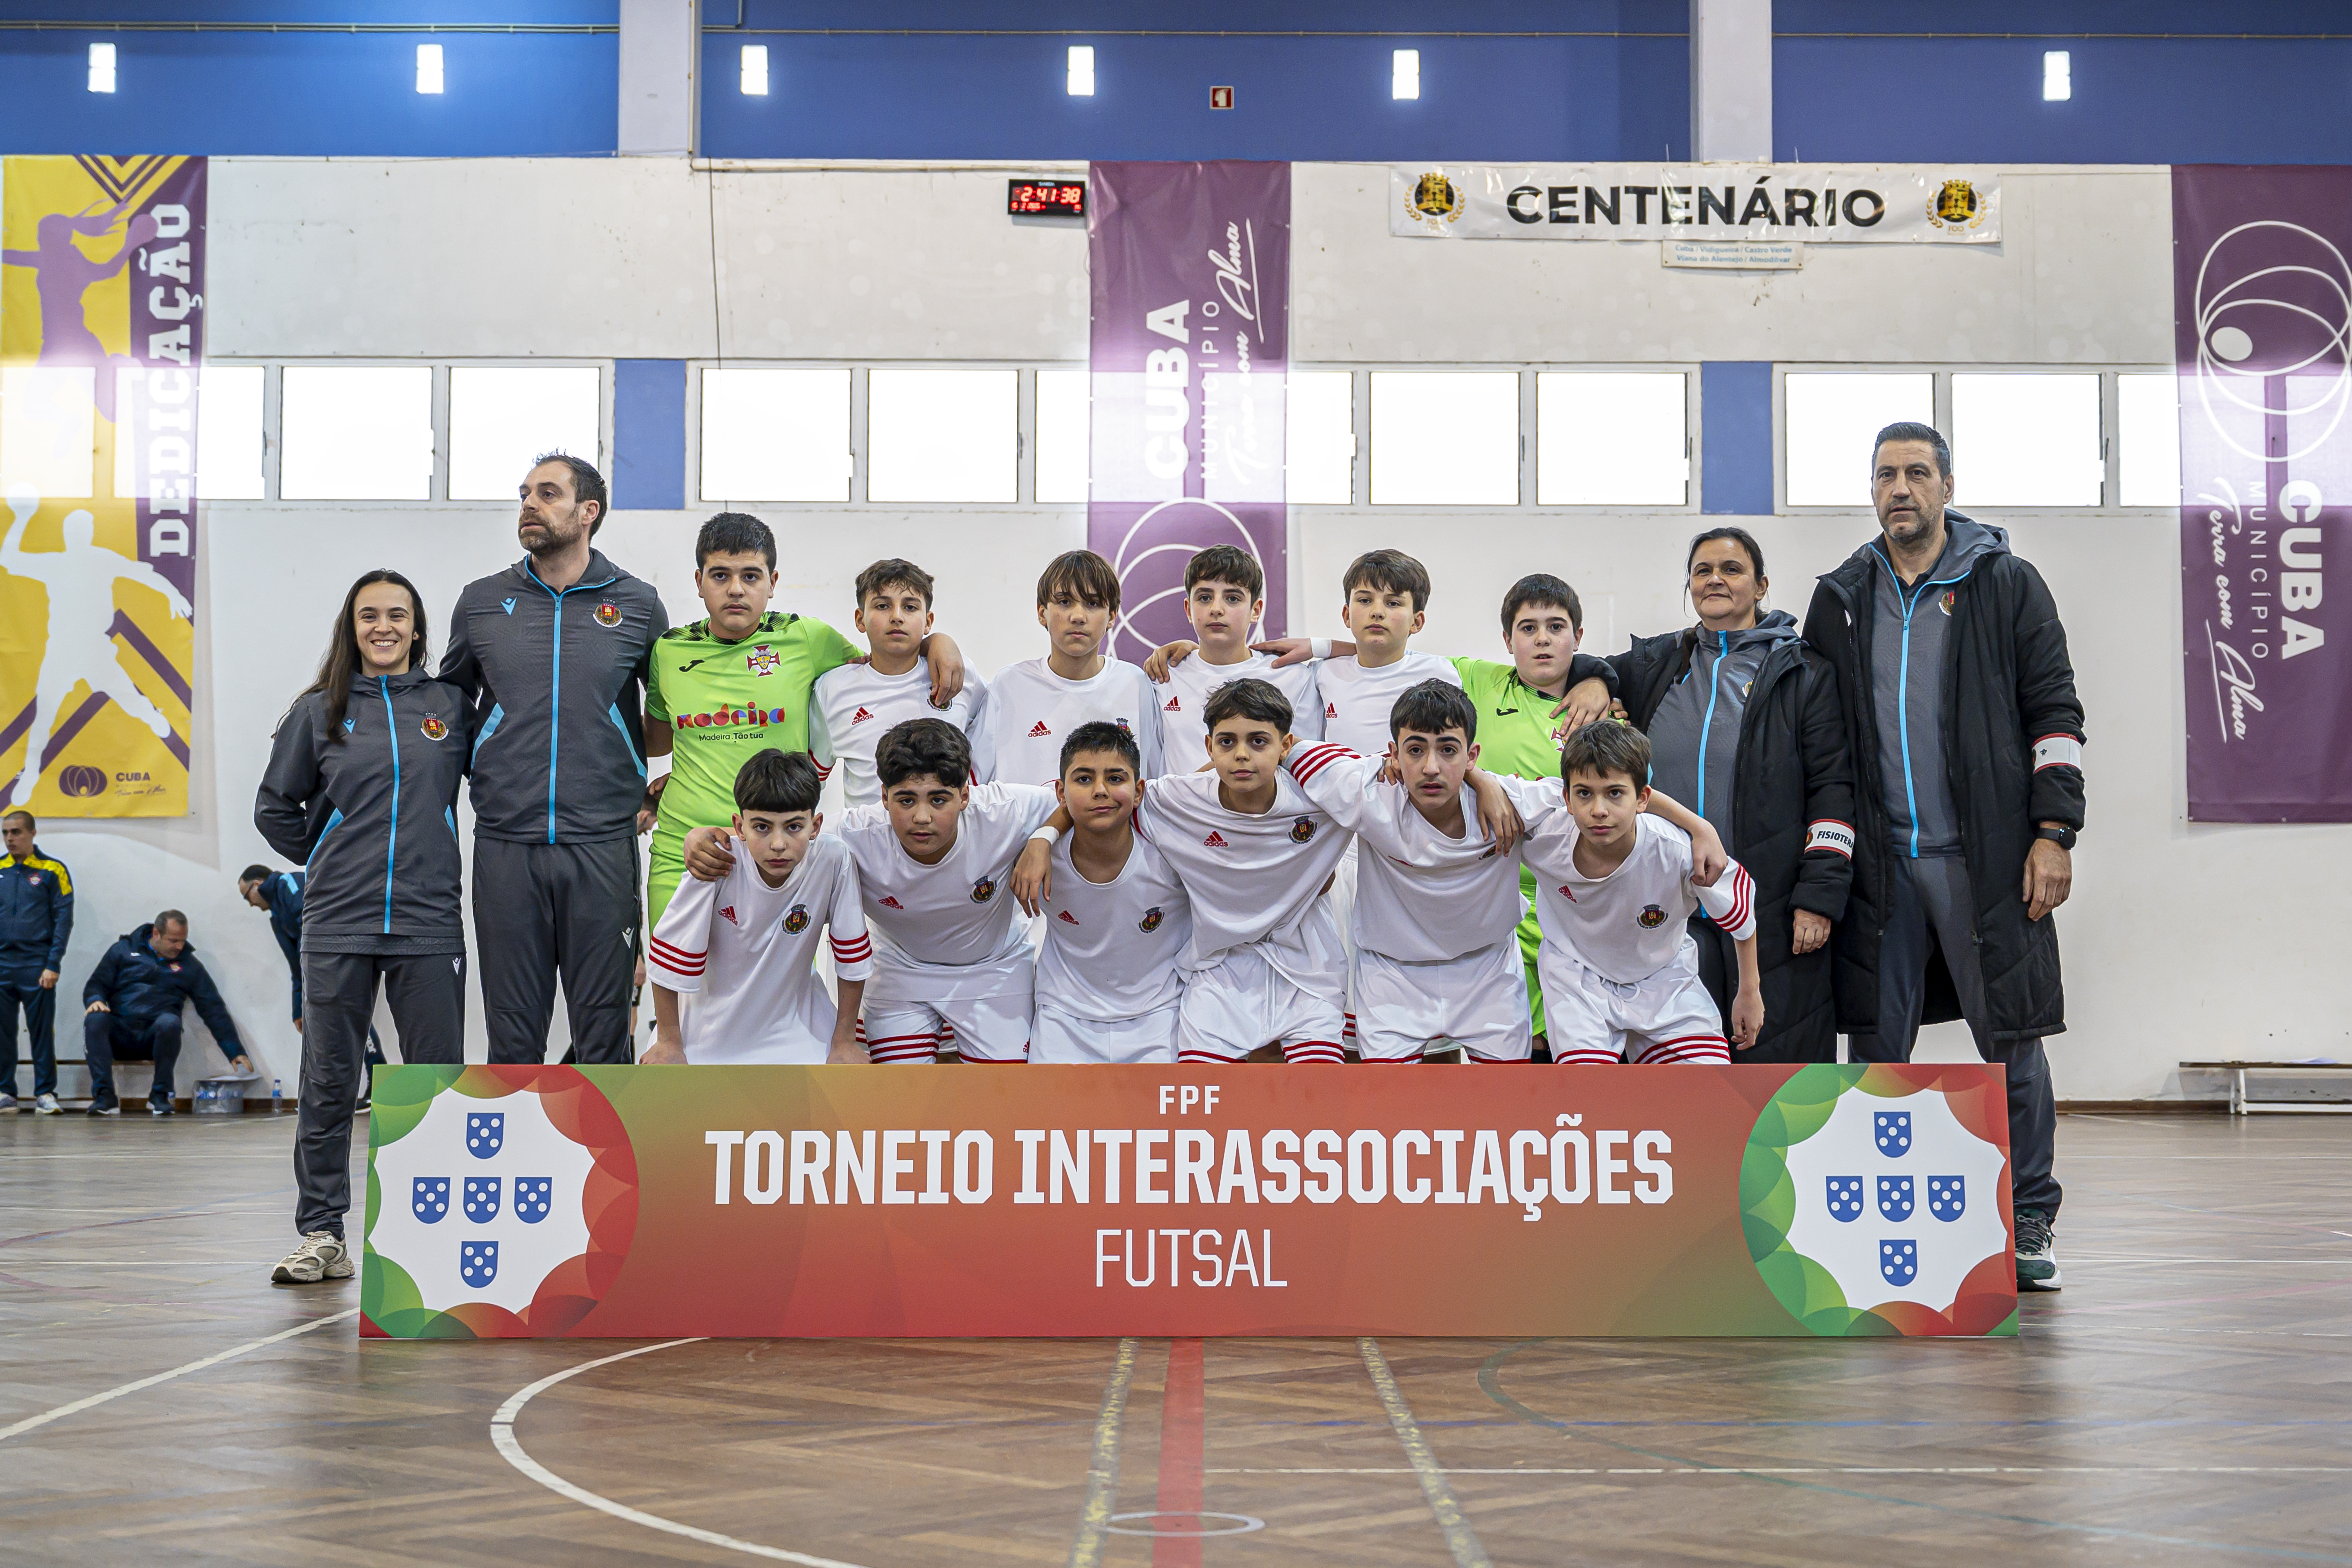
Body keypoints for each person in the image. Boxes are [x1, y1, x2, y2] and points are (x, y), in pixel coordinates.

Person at [1802, 420, 2084, 1292]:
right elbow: (1808, 715)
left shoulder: (2004, 584)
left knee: (2011, 1040)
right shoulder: (1840, 595)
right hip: (1880, 867)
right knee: (1874, 1044)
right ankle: (1878, 1213)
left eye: (1914, 472)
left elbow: (2055, 714)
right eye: (1884, 474)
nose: (1898, 488)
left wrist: (2052, 832)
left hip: (1986, 860)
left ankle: (2028, 1214)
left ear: (1945, 484)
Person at [1281, 681, 1724, 1065]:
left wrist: (1698, 826)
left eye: (1448, 750)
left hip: (1487, 972)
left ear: (1471, 754)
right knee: (1393, 1109)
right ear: (1392, 754)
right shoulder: (1364, 788)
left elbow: (1608, 791)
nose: (1431, 766)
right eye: (1415, 750)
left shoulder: (1512, 801)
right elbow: (1281, 747)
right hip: (1391, 975)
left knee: (1502, 1106)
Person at [1554, 529, 1856, 1061]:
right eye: (1702, 570)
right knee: (1684, 1076)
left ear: (1761, 585)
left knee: (1770, 1063)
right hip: (1670, 907)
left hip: (1771, 901)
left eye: (1731, 569)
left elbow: (1832, 786)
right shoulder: (1655, 665)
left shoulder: (1803, 673)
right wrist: (1597, 682)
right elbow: (1582, 664)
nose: (1715, 579)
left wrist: (1821, 895)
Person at [255, 568, 469, 1285]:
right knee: (328, 1082)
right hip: (338, 920)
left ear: (417, 625)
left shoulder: (449, 705)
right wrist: (327, 854)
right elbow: (274, 807)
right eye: (369, 614)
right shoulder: (319, 709)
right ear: (351, 626)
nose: (384, 627)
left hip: (428, 918)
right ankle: (323, 1232)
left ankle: (429, 1230)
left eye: (397, 615)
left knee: (436, 1082)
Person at [439, 453, 667, 1064]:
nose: (528, 505)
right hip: (506, 843)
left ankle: (610, 1161)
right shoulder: (482, 602)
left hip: (601, 845)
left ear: (587, 511)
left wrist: (653, 784)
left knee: (603, 1033)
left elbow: (673, 714)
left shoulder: (638, 604)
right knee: (513, 1036)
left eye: (547, 493)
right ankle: (521, 1160)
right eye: (524, 494)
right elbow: (448, 710)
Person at [1017, 679, 1352, 1065]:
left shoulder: (1323, 796)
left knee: (1315, 1103)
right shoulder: (1176, 799)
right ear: (1209, 747)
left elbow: (1388, 780)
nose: (1241, 755)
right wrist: (1044, 836)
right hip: (1216, 971)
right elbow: (1098, 798)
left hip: (1306, 968)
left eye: (1258, 742)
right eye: (1227, 742)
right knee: (1198, 1106)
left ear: (1285, 746)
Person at [644, 516, 956, 928]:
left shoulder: (807, 639)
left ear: (772, 582)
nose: (736, 589)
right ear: (699, 581)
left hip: (779, 850)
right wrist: (651, 790)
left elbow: (882, 660)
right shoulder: (669, 650)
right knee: (682, 987)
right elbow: (656, 742)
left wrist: (939, 642)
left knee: (783, 988)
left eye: (750, 576)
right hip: (687, 848)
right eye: (721, 575)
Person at [686, 719, 1057, 1063]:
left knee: (1007, 1092)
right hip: (899, 969)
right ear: (883, 796)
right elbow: (777, 832)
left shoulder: (1006, 811)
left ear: (965, 795)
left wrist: (1043, 837)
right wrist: (699, 837)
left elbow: (1073, 799)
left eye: (939, 799)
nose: (922, 817)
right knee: (896, 1099)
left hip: (993, 966)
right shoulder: (850, 835)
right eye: (906, 800)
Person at [1519, 722, 1762, 1065]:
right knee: (1588, 1101)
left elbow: (1742, 917)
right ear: (1567, 799)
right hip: (1577, 978)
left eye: (1615, 793)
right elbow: (1477, 785)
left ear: (1643, 798)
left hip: (1663, 980)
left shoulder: (1677, 851)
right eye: (1584, 794)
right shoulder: (1543, 830)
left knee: (1707, 1095)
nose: (1599, 810)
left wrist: (1749, 991)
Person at [642, 750, 871, 1065]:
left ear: (815, 826)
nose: (778, 843)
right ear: (740, 826)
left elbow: (852, 960)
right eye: (762, 827)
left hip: (800, 1029)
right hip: (710, 1034)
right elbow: (668, 958)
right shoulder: (717, 861)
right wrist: (668, 1042)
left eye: (793, 827)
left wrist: (844, 1041)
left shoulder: (834, 859)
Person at [1029, 721, 1191, 1064]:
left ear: (1139, 790)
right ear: (1060, 791)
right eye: (1084, 779)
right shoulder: (1029, 844)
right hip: (1063, 1017)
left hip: (1160, 1017)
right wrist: (1041, 837)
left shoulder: (1171, 843)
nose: (1100, 790)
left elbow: (1222, 778)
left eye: (1115, 778)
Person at [971, 550, 1162, 786]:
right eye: (1065, 602)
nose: (1078, 616)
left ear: (1112, 616)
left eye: (1093, 604)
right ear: (1043, 613)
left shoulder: (1135, 683)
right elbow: (975, 785)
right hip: (1028, 825)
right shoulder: (1009, 684)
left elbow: (1154, 780)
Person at [810, 557, 986, 809]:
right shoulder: (833, 688)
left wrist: (940, 640)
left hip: (949, 840)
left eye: (910, 607)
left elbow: (992, 752)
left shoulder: (958, 673)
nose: (897, 617)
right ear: (860, 619)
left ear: (928, 622)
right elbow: (811, 779)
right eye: (882, 606)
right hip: (866, 843)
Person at [1149, 546, 1321, 776]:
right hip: (1181, 811)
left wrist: (1322, 646)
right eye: (1204, 598)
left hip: (1266, 812)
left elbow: (1304, 764)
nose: (1216, 609)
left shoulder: (1293, 676)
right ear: (1189, 609)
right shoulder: (1164, 677)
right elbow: (1152, 766)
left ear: (1256, 610)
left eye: (1232, 598)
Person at [238, 865, 385, 1109]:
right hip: (319, 971)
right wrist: (298, 1009)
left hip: (340, 956)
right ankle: (332, 1096)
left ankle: (379, 1085)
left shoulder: (289, 883)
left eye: (247, 896)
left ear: (258, 885)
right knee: (334, 1029)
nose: (250, 904)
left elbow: (310, 925)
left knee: (356, 1020)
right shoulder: (277, 918)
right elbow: (296, 965)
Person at [82, 911, 248, 1115]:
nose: (179, 947)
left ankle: (160, 1096)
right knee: (96, 1019)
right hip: (119, 1035)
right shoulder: (122, 951)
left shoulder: (189, 965)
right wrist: (95, 1000)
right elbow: (96, 984)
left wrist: (235, 1050)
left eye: (183, 941)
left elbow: (213, 1008)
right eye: (173, 941)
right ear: (156, 933)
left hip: (156, 1038)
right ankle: (105, 1098)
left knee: (170, 1022)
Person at [2, 809, 72, 1113]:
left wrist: (53, 963)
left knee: (42, 1031)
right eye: (5, 833)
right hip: (2, 965)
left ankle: (45, 1093)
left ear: (32, 833)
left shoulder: (53, 871)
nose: (9, 839)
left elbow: (64, 920)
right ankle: (6, 1092)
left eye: (16, 832)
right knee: (3, 1032)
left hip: (37, 965)